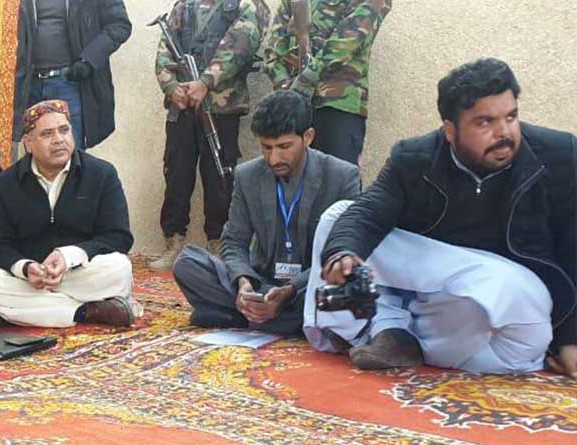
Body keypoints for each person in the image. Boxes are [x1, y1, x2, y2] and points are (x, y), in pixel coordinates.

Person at [303, 58, 577, 378]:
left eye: (511, 116)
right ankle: (390, 333)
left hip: (513, 307)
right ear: (450, 130)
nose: (504, 132)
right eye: (485, 122)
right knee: (337, 218)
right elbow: (370, 210)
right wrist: (343, 254)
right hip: (436, 292)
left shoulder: (559, 155)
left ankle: (399, 335)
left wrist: (571, 338)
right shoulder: (414, 158)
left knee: (496, 291)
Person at [173, 90, 360, 333]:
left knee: (348, 288)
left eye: (284, 147)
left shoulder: (342, 176)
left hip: (308, 286)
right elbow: (234, 241)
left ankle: (242, 317)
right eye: (266, 147)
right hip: (262, 283)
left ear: (308, 137)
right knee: (187, 264)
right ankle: (272, 317)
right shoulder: (247, 175)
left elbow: (344, 250)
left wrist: (290, 291)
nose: (273, 159)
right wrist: (244, 283)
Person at [0, 100, 138, 328]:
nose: (58, 139)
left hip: (79, 274)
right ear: (29, 143)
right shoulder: (6, 183)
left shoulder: (101, 174)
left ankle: (13, 313)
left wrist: (69, 256)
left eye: (64, 130)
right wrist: (25, 268)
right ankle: (85, 312)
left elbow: (118, 237)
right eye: (47, 134)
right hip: (30, 279)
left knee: (119, 267)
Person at [149, 0, 270, 271]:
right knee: (176, 172)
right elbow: (165, 47)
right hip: (182, 106)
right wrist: (171, 86)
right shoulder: (184, 6)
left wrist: (205, 82)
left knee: (219, 176)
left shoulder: (245, 5)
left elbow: (240, 46)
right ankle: (173, 241)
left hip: (220, 106)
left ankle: (219, 243)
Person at [263, 0, 391, 166]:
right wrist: (283, 83)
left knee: (337, 176)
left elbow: (346, 41)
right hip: (291, 103)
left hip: (336, 104)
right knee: (287, 175)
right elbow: (274, 46)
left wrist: (305, 80)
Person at [12, 0, 131, 151]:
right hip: (28, 85)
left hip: (70, 84)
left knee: (70, 153)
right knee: (36, 154)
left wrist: (88, 61)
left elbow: (119, 25)